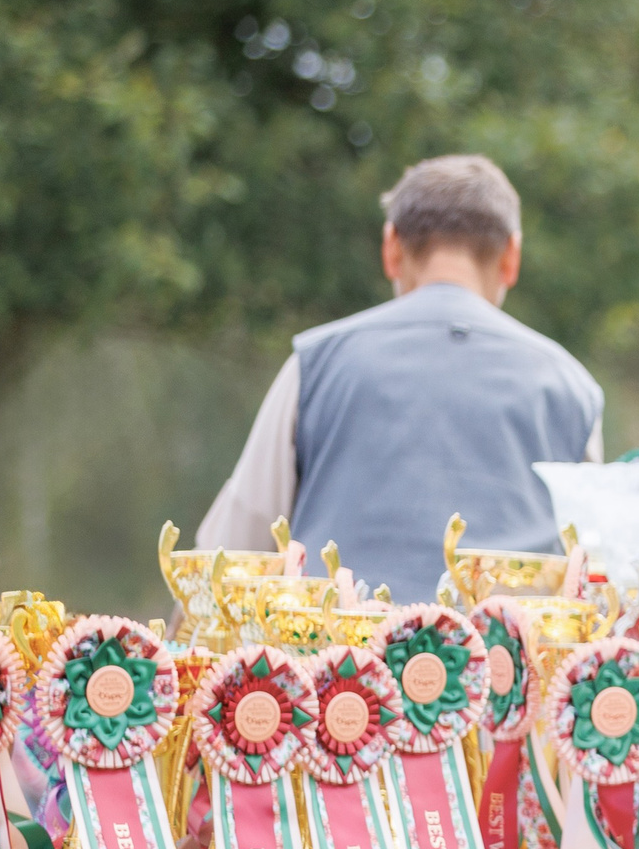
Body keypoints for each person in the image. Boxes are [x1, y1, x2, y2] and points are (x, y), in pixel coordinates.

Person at [197, 154, 603, 604]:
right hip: (510, 665)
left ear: (392, 249)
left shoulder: (315, 363)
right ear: (511, 257)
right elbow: (595, 566)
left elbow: (233, 546)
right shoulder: (573, 387)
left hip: (340, 667)